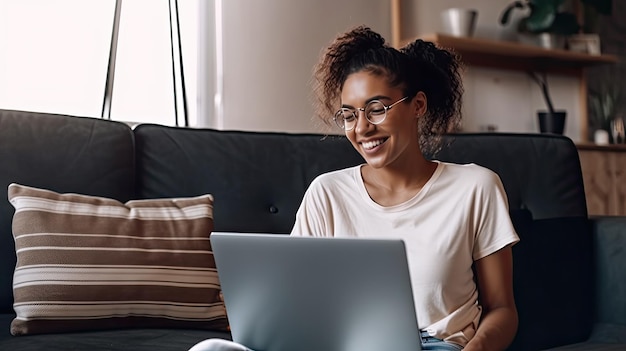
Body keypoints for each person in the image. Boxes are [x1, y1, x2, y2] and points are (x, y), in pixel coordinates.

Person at [189, 25, 519, 351]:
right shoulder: (326, 193)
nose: (361, 128)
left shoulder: (476, 186)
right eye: (349, 115)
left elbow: (502, 309)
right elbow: (295, 300)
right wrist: (255, 311)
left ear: (417, 105)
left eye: (377, 109)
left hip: (433, 345)